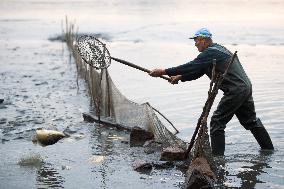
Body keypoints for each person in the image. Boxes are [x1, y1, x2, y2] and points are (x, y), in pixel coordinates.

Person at [149, 28, 274, 156]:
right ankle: (269, 150)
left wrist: (163, 71)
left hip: (235, 90)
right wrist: (181, 77)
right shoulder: (217, 50)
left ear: (204, 40)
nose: (195, 44)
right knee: (250, 121)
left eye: (197, 40)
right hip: (244, 87)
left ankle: (217, 160)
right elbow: (198, 71)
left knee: (217, 122)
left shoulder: (210, 52)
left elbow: (191, 66)